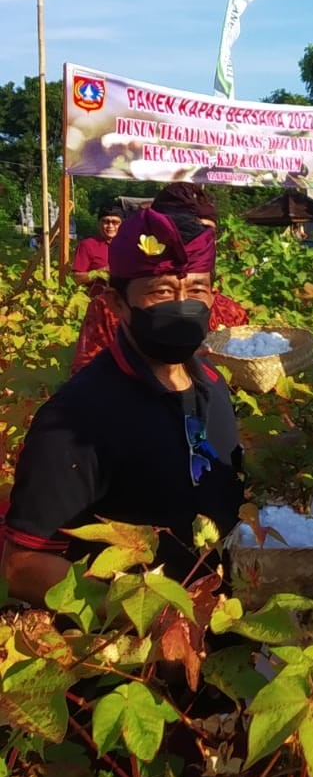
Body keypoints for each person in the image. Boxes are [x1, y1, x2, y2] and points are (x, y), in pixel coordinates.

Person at [1, 202, 244, 603]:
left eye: (196, 289)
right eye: (161, 291)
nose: (182, 304)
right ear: (116, 305)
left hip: (223, 642)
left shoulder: (214, 388)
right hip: (131, 655)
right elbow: (24, 565)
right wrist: (149, 610)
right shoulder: (77, 419)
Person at [70, 186, 248, 374]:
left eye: (206, 234)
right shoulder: (108, 310)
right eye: (179, 231)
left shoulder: (230, 313)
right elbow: (87, 376)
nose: (194, 241)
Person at [72, 204, 122, 285]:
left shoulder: (128, 246)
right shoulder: (87, 245)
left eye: (115, 222)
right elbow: (76, 278)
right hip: (95, 296)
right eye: (106, 221)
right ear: (99, 223)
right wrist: (101, 272)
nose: (110, 226)